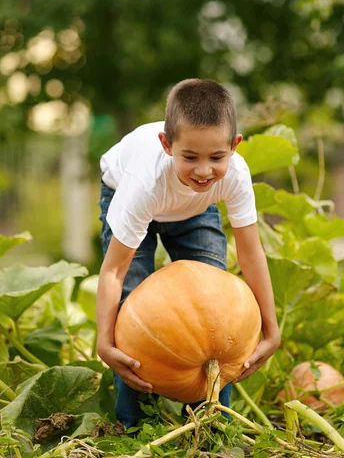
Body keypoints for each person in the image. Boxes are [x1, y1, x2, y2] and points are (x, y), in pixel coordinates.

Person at [97, 78, 280, 429]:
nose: (203, 170)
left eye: (216, 157)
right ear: (167, 145)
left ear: (234, 146)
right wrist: (105, 343)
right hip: (128, 194)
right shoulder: (142, 185)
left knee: (218, 311)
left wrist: (271, 331)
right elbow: (112, 273)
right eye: (190, 156)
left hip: (196, 207)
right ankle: (131, 424)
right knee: (133, 306)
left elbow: (251, 253)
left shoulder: (232, 176)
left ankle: (211, 426)